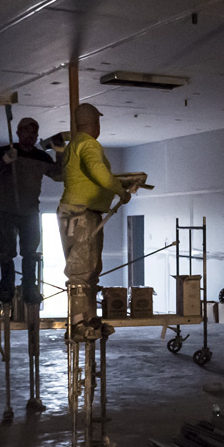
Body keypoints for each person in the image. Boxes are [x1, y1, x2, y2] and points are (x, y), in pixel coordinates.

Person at [57, 103, 129, 340]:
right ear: (95, 123)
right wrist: (120, 189)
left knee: (90, 269)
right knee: (81, 270)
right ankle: (78, 324)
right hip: (81, 212)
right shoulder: (88, 144)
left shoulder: (73, 145)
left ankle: (89, 320)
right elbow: (97, 170)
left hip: (80, 212)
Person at [0, 116, 63, 305]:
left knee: (30, 252)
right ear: (18, 133)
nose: (31, 136)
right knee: (6, 252)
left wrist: (60, 153)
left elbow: (59, 175)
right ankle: (6, 289)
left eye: (34, 133)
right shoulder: (5, 151)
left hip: (30, 212)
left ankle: (30, 289)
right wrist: (4, 161)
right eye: (27, 132)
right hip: (6, 211)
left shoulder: (41, 157)